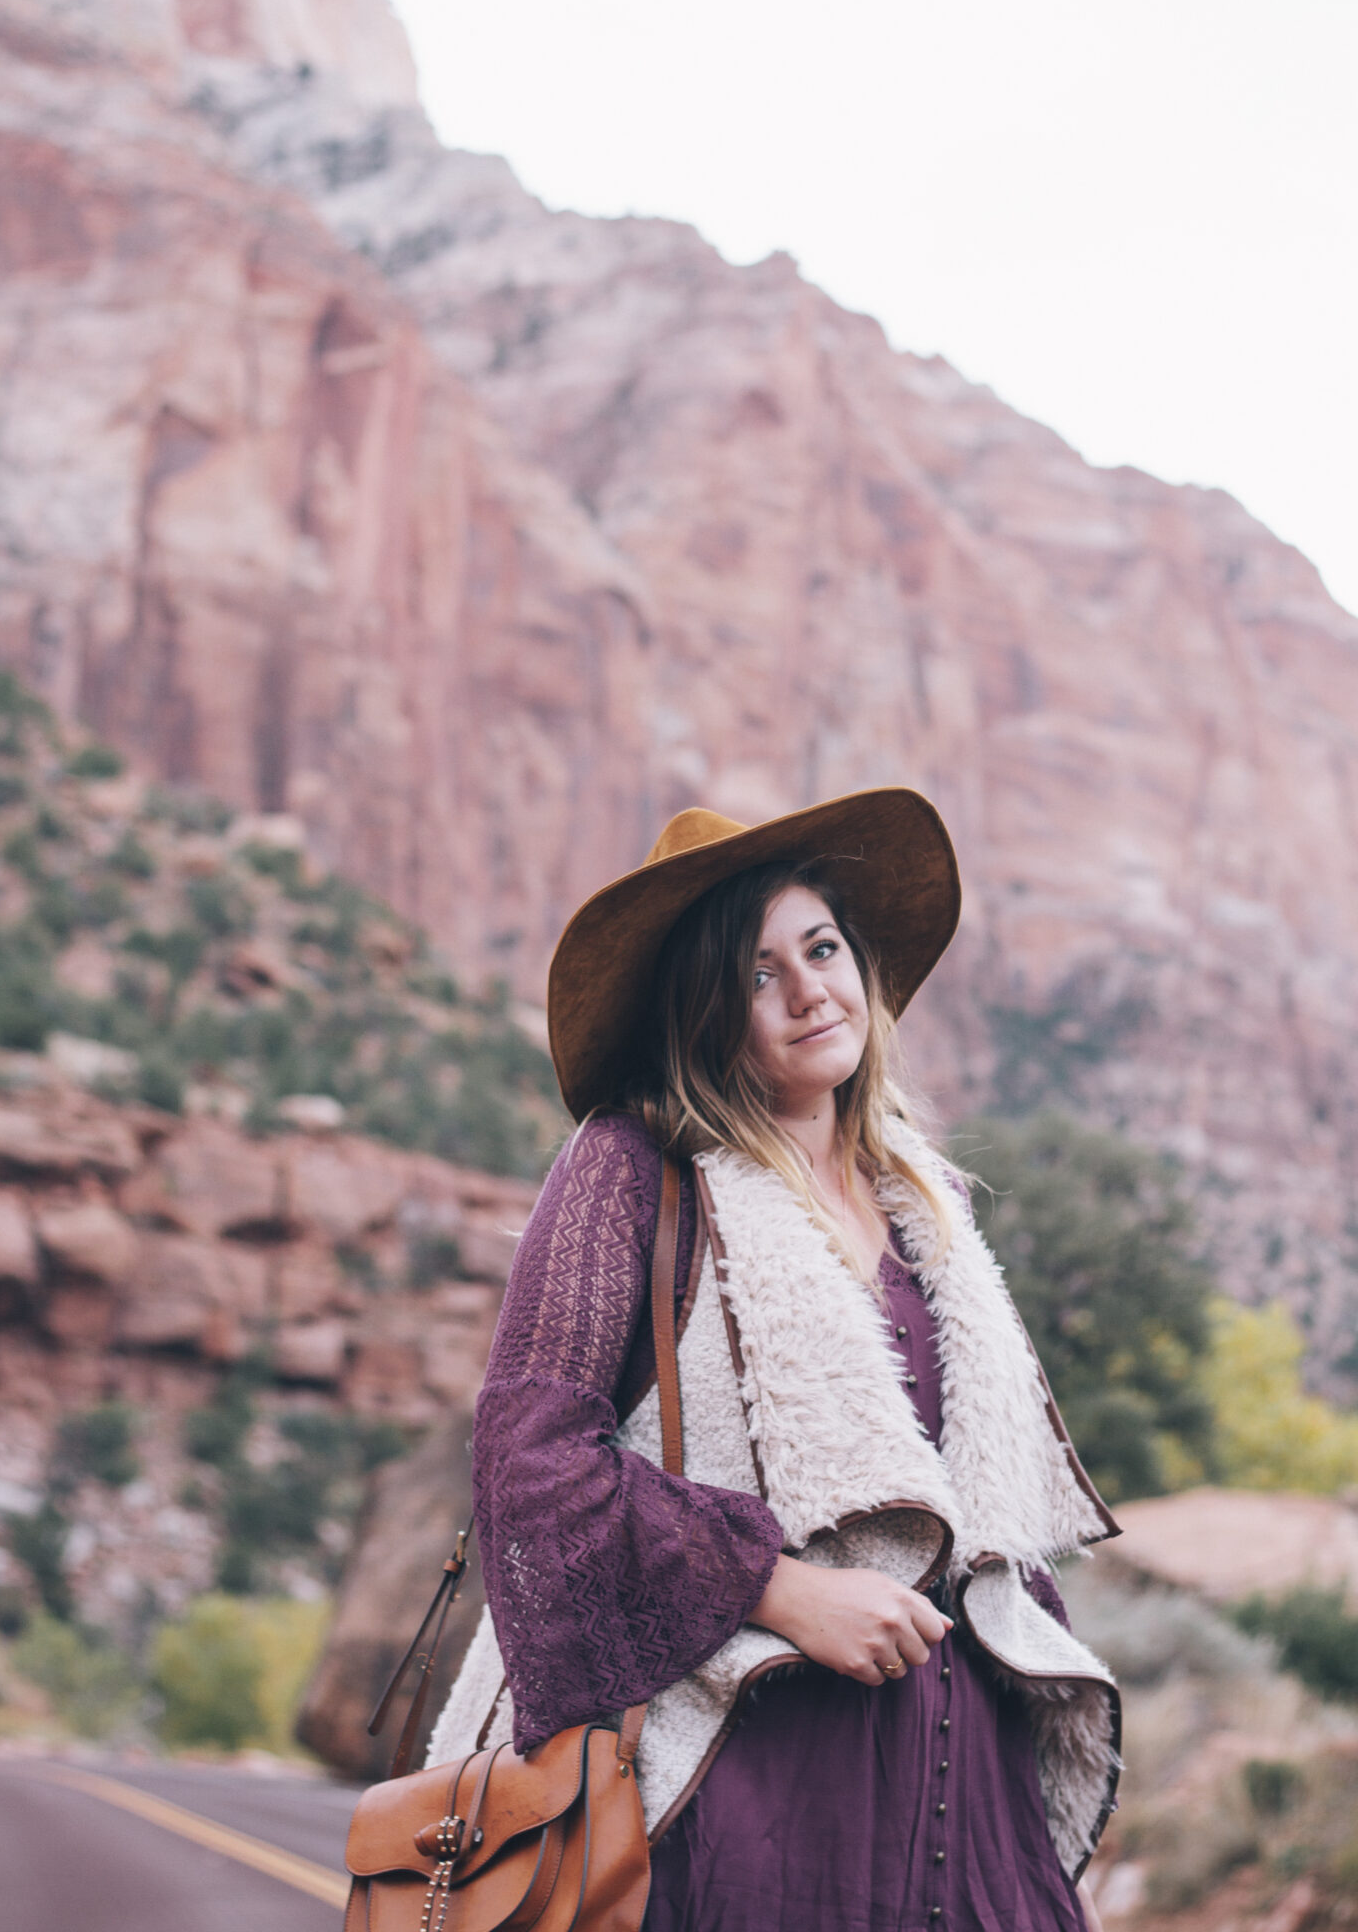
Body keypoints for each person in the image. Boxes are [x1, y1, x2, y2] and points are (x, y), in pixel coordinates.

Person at [430, 791, 1121, 1932]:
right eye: (758, 974)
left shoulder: (929, 1207)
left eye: (823, 948)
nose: (809, 991)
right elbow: (528, 1463)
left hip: (960, 1789)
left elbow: (977, 1503)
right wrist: (778, 1589)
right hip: (752, 1793)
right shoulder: (633, 1170)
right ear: (705, 1010)